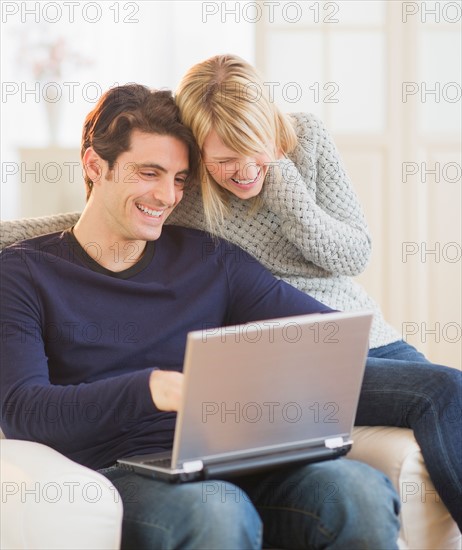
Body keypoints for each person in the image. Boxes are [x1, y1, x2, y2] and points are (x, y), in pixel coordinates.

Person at [0, 84, 401, 549]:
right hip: (127, 468)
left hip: (234, 455)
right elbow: (22, 411)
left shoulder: (209, 259)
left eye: (179, 179)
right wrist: (154, 388)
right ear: (95, 166)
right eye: (149, 173)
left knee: (359, 492)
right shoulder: (22, 273)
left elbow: (326, 337)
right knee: (218, 512)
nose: (167, 196)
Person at [167, 54, 462, 529]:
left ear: (271, 129)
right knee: (443, 389)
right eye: (223, 159)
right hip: (287, 358)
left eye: (254, 150)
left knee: (453, 397)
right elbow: (105, 222)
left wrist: (286, 188)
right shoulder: (186, 190)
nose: (243, 170)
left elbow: (353, 255)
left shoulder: (307, 140)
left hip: (365, 337)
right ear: (197, 151)